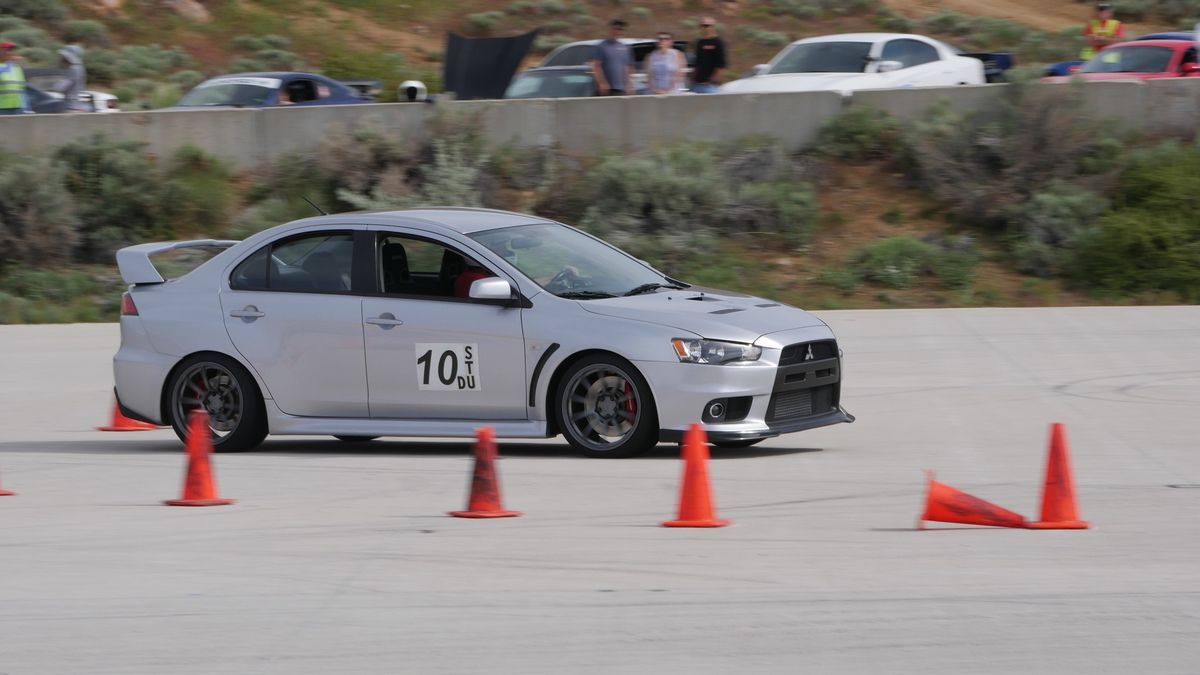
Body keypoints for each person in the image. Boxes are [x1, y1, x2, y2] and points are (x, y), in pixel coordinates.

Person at [592, 19, 633, 96]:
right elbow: (596, 66)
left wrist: (628, 84)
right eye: (617, 28)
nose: (619, 31)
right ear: (611, 29)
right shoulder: (602, 46)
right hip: (606, 90)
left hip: (620, 89)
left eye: (621, 29)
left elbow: (627, 68)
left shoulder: (624, 48)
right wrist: (601, 83)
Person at [691, 17, 727, 93]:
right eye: (702, 25)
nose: (704, 28)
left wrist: (711, 80)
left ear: (713, 27)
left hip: (710, 86)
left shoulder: (718, 42)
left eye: (707, 25)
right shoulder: (700, 42)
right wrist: (694, 78)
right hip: (697, 84)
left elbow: (721, 65)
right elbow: (697, 62)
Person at [0, 41, 30, 115]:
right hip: (2, 108)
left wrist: (27, 108)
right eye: (8, 50)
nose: (11, 52)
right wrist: (10, 63)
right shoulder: (8, 66)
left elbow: (22, 89)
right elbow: (2, 71)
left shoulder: (16, 67)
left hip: (18, 107)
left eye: (12, 50)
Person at [57, 45, 87, 112]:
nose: (61, 59)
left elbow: (60, 87)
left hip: (71, 106)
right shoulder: (80, 68)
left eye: (64, 57)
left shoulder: (72, 69)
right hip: (78, 105)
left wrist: (57, 83)